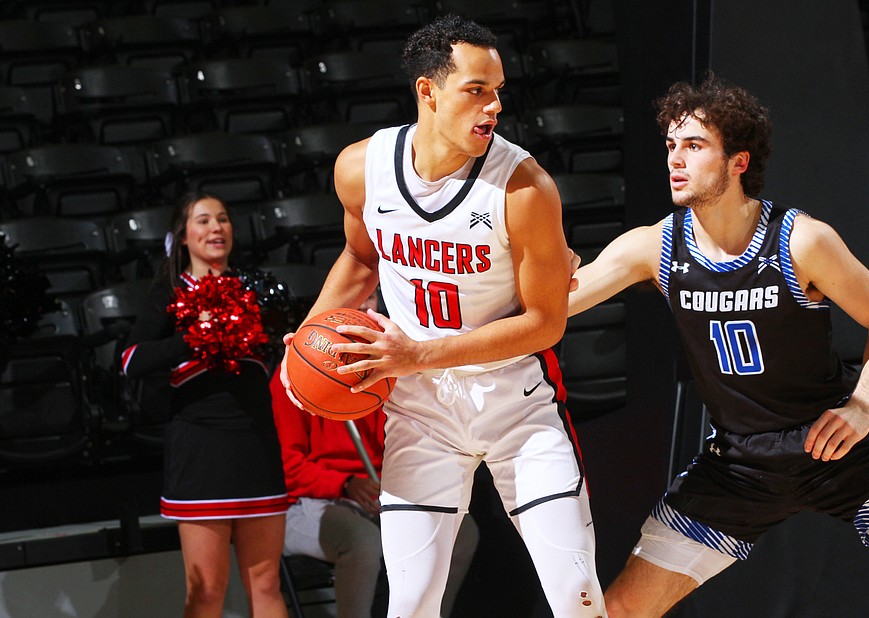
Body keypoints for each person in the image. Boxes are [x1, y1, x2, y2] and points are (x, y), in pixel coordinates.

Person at [567, 75, 869, 618]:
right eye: (671, 145)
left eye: (693, 146)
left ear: (739, 161)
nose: (675, 159)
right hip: (739, 465)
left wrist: (861, 406)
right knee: (620, 610)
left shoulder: (802, 240)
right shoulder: (653, 246)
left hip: (834, 451)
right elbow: (557, 305)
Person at [279, 14, 606, 617]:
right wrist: (304, 348)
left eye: (499, 91)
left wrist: (419, 353)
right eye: (476, 90)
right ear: (427, 91)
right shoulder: (361, 168)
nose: (494, 107)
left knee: (576, 598)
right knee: (410, 603)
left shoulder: (525, 188)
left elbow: (546, 323)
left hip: (518, 408)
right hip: (423, 412)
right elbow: (359, 259)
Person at [122, 192, 290, 618]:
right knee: (207, 591)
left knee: (267, 586)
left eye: (223, 219)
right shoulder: (170, 293)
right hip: (200, 451)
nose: (216, 228)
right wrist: (193, 337)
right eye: (203, 221)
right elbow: (129, 360)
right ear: (182, 237)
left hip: (257, 446)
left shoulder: (255, 290)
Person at [271, 364, 480, 618]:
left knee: (461, 531)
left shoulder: (380, 372)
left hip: (372, 495)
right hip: (306, 503)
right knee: (363, 541)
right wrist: (345, 483)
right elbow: (286, 467)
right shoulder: (296, 374)